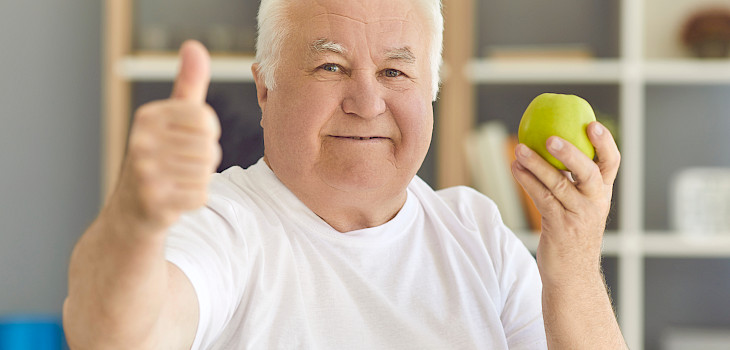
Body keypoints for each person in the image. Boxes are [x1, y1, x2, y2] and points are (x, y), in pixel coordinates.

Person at [63, 0, 627, 348]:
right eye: (330, 66)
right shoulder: (219, 224)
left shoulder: (477, 233)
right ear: (266, 89)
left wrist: (575, 261)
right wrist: (135, 219)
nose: (366, 101)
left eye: (394, 71)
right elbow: (112, 337)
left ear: (430, 92)